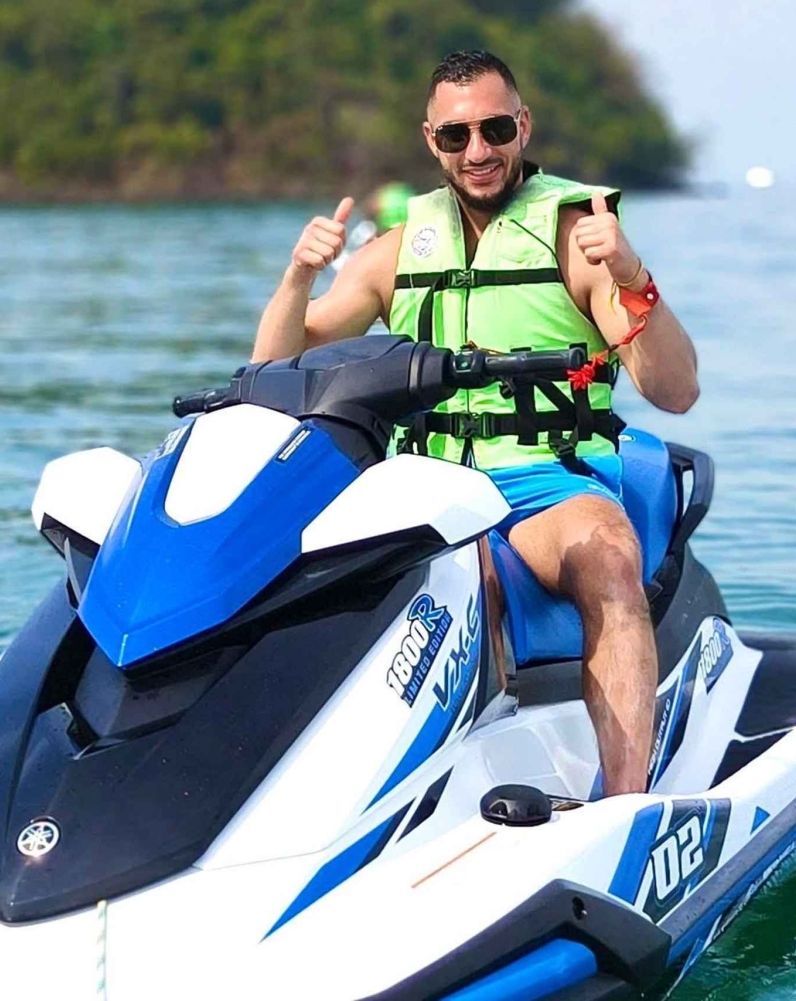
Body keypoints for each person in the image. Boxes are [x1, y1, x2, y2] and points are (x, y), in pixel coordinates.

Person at [252, 50, 699, 796]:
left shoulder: (578, 242)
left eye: (494, 129)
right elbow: (273, 368)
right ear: (432, 141)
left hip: (547, 482)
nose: (478, 151)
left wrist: (632, 278)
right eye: (457, 135)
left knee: (609, 557)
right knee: (432, 570)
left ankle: (627, 801)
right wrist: (298, 278)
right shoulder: (398, 250)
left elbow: (676, 390)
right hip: (429, 484)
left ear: (523, 126)